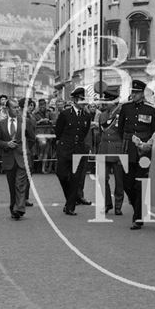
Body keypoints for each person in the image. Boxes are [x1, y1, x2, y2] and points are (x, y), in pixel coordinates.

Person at [118, 80, 155, 229]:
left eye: (136, 92)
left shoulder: (151, 110)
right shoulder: (125, 108)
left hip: (144, 150)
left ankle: (138, 217)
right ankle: (138, 209)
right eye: (132, 92)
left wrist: (147, 145)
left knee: (140, 184)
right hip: (128, 148)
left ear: (143, 93)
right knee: (127, 183)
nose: (133, 95)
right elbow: (120, 129)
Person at [0, 99, 36, 220]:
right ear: (7, 109)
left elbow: (32, 139)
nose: (17, 110)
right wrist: (7, 144)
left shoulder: (25, 121)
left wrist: (25, 150)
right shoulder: (1, 124)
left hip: (22, 158)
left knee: (20, 184)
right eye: (14, 108)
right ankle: (13, 207)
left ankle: (19, 208)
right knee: (12, 186)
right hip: (9, 159)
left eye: (18, 107)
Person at [54, 87, 92, 216]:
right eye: (81, 100)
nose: (84, 102)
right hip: (65, 149)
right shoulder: (65, 114)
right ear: (75, 100)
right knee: (62, 175)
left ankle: (70, 206)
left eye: (84, 100)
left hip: (78, 150)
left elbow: (84, 132)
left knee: (75, 178)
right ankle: (70, 199)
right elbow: (58, 132)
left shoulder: (87, 116)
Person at [97, 86, 124, 216]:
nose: (103, 103)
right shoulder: (102, 115)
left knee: (119, 180)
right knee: (102, 178)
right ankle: (107, 203)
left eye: (106, 101)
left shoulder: (120, 115)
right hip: (104, 149)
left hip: (117, 150)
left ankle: (118, 205)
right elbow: (99, 134)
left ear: (113, 101)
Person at [19, 98, 37, 207]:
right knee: (25, 174)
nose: (31, 107)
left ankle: (23, 197)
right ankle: (23, 198)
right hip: (26, 150)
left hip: (25, 149)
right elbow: (31, 137)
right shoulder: (25, 118)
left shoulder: (30, 117)